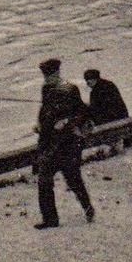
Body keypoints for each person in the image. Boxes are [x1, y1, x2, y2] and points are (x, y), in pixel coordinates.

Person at [32, 57, 94, 229]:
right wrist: (39, 125)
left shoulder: (70, 88)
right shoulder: (46, 89)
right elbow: (45, 112)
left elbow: (83, 113)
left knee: (73, 179)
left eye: (50, 75)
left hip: (68, 143)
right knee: (44, 181)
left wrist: (67, 122)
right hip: (49, 143)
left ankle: (88, 208)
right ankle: (50, 219)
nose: (47, 79)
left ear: (57, 73)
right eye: (45, 76)